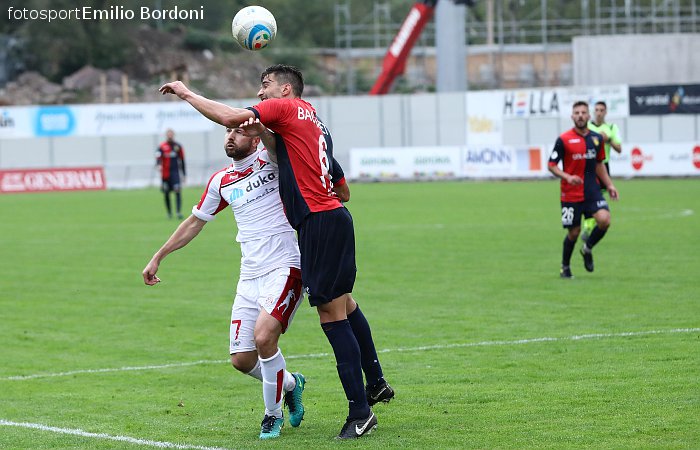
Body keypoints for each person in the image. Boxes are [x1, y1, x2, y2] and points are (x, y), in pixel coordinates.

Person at [159, 64, 393, 439]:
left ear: (286, 90)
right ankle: (376, 382)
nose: (260, 94)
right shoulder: (314, 121)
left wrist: (187, 93)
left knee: (333, 318)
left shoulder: (285, 110)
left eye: (265, 86)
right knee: (345, 305)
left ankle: (360, 413)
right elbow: (341, 185)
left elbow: (233, 117)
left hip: (318, 224)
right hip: (329, 218)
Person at [142, 124, 306, 440]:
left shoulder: (272, 160)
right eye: (228, 132)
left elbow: (274, 140)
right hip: (250, 274)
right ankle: (290, 383)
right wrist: (158, 256)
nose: (230, 136)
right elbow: (194, 223)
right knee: (241, 360)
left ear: (256, 137)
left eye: (239, 131)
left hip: (286, 266)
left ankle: (272, 416)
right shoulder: (222, 181)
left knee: (264, 339)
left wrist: (256, 120)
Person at [548, 101, 619, 279]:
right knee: (574, 232)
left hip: (591, 191)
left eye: (583, 113)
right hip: (570, 193)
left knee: (605, 220)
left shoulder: (596, 139)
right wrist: (567, 177)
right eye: (577, 113)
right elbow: (551, 165)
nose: (580, 115)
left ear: (588, 116)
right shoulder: (564, 139)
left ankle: (587, 248)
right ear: (572, 117)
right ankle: (565, 267)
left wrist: (609, 184)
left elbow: (599, 164)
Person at [581, 101, 623, 241]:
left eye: (601, 110)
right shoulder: (587, 127)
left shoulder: (611, 127)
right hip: (589, 166)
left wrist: (608, 139)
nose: (598, 113)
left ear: (605, 112)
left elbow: (619, 149)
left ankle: (590, 223)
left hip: (603, 166)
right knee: (592, 195)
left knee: (596, 196)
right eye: (597, 110)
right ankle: (588, 225)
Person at [155, 129, 186, 219]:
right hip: (165, 175)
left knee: (177, 191)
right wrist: (158, 165)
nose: (170, 136)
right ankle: (169, 213)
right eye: (168, 134)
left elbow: (182, 161)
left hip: (175, 174)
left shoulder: (178, 146)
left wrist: (184, 174)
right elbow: (157, 157)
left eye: (171, 134)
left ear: (173, 135)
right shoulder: (162, 146)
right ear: (166, 135)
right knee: (166, 193)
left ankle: (178, 212)